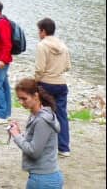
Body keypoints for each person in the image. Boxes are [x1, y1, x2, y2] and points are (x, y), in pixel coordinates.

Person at [9, 78, 63, 189]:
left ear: (36, 96)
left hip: (43, 180)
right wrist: (20, 133)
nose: (21, 102)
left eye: (24, 98)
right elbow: (36, 142)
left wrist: (16, 136)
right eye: (19, 99)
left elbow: (34, 151)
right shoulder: (36, 114)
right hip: (44, 177)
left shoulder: (42, 120)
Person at [34, 18, 71, 157]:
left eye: (39, 30)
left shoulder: (42, 45)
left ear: (43, 31)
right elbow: (68, 66)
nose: (38, 33)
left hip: (46, 84)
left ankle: (43, 146)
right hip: (61, 83)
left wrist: (35, 82)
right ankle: (64, 148)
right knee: (61, 115)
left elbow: (40, 69)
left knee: (43, 115)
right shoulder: (63, 45)